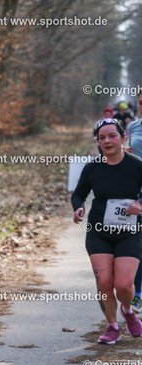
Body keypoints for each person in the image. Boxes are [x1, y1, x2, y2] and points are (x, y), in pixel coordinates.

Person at [72, 118, 142, 344]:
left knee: (123, 284)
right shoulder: (93, 167)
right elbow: (78, 194)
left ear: (123, 138)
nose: (107, 141)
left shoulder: (136, 165)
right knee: (104, 282)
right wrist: (78, 208)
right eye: (102, 137)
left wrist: (140, 203)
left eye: (112, 136)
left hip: (130, 231)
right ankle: (112, 326)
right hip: (98, 231)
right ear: (98, 141)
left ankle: (128, 310)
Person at [126, 91, 142, 313]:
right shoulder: (133, 127)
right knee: (137, 245)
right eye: (140, 103)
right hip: (136, 192)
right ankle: (136, 294)